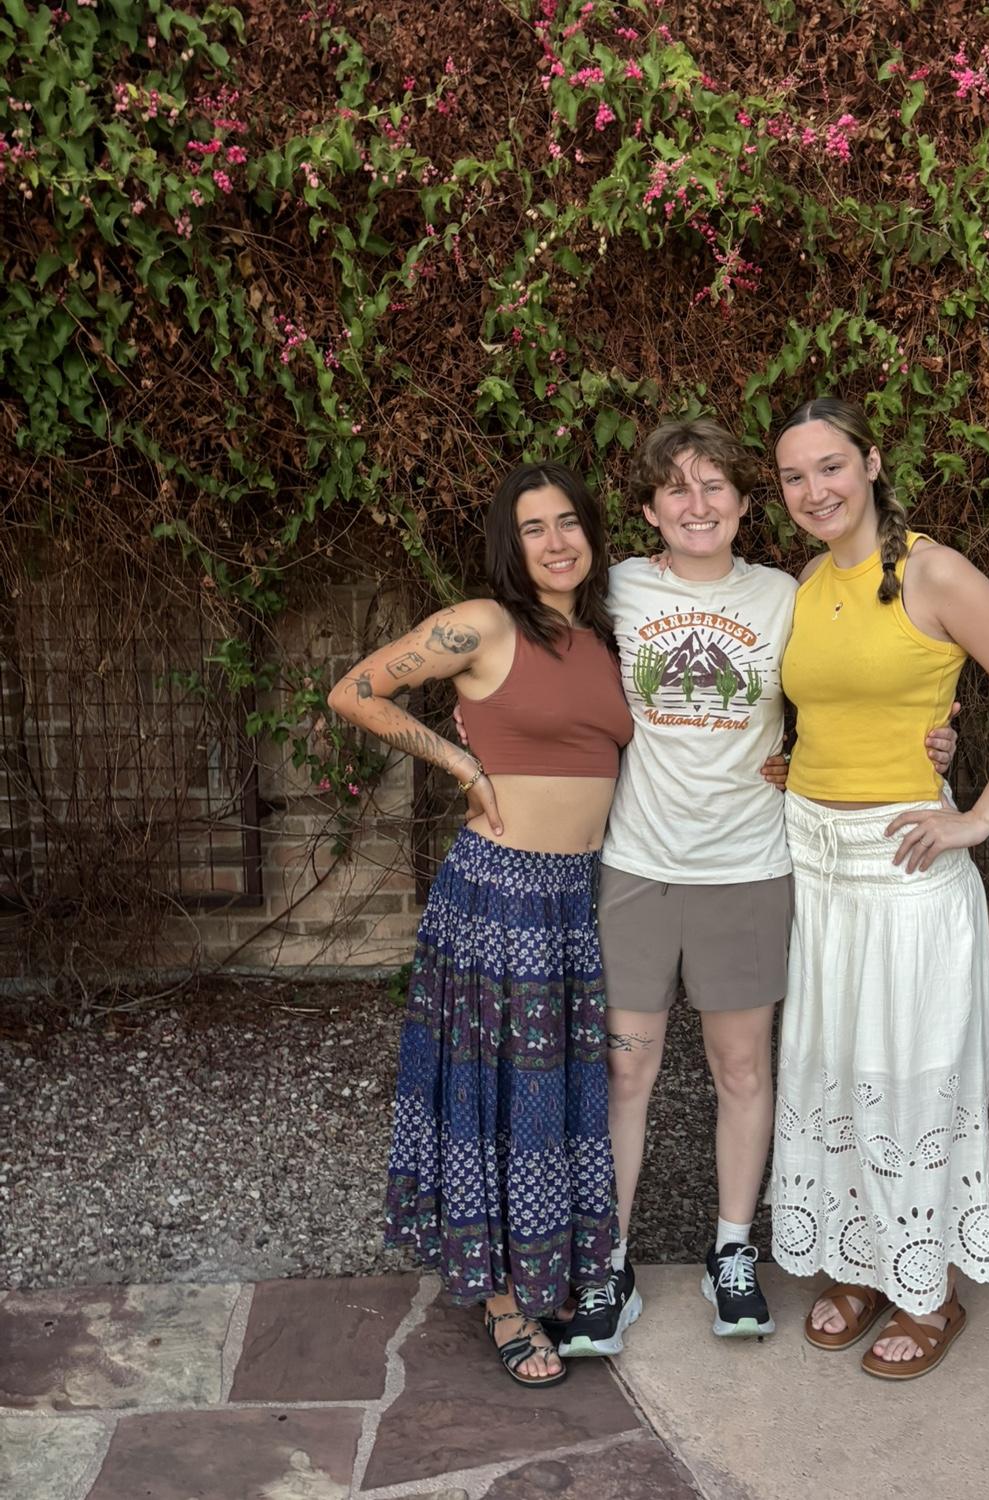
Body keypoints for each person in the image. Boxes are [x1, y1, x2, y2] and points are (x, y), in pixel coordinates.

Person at [523, 418, 957, 1358]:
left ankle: (733, 1253)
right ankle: (609, 1262)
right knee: (627, 1070)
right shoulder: (620, 589)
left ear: (745, 505)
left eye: (714, 486)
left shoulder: (786, 593)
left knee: (743, 1070)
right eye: (675, 489)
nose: (697, 504)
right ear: (646, 513)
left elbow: (859, 677)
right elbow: (538, 661)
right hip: (637, 871)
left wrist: (933, 734)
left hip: (750, 871)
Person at [768, 396, 989, 1380]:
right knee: (837, 1072)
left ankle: (924, 1289)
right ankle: (858, 1265)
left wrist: (975, 815)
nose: (815, 490)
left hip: (905, 869)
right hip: (816, 866)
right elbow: (829, 710)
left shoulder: (933, 570)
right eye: (793, 476)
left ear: (871, 460)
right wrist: (792, 766)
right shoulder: (806, 583)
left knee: (907, 1075)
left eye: (830, 466)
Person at [328, 462, 631, 1387]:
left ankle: (555, 1267)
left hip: (579, 897)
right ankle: (504, 1300)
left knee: (565, 1095)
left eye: (569, 522)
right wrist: (462, 767)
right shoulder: (487, 624)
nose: (556, 541)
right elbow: (355, 692)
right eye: (534, 527)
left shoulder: (609, 641)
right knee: (495, 1096)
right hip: (498, 895)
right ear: (512, 543)